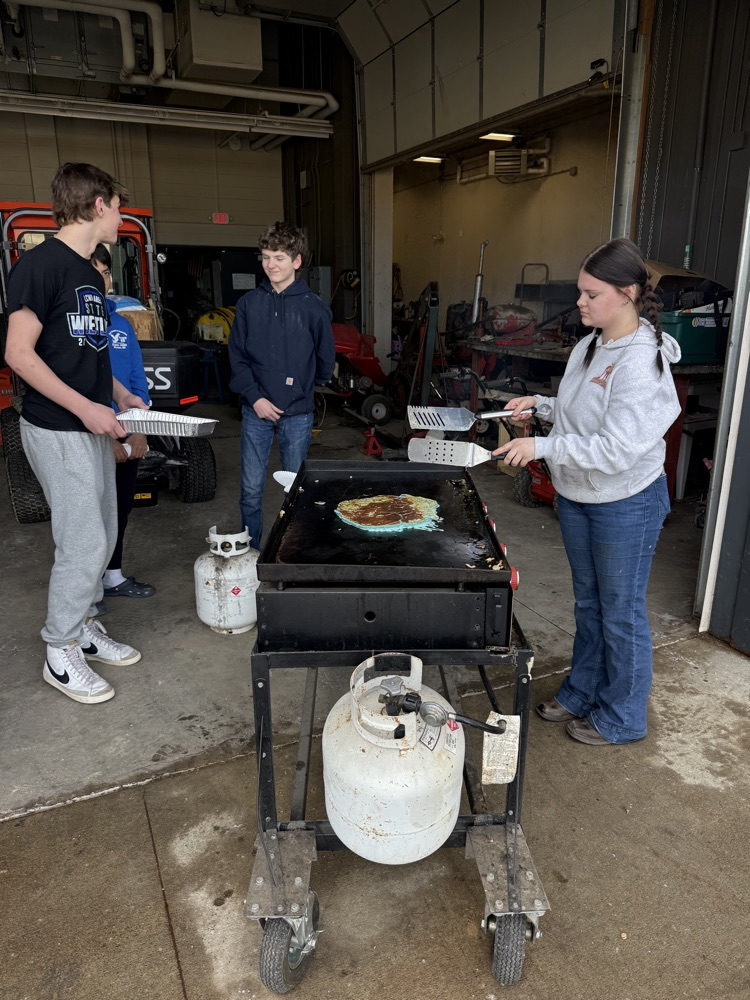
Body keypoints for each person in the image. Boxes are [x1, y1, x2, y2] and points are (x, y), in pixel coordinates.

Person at [494, 237, 681, 746]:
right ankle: (583, 690)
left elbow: (617, 447)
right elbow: (586, 409)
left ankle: (624, 716)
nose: (579, 302)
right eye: (580, 291)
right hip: (579, 495)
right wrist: (545, 404)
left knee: (621, 613)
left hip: (625, 501)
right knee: (590, 604)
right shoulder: (590, 342)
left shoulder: (642, 361)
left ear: (627, 294)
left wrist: (542, 448)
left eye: (590, 293)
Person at [5, 162, 149, 705]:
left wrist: (119, 395)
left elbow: (82, 352)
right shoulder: (39, 266)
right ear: (97, 205)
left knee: (104, 532)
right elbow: (19, 354)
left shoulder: (90, 274)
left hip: (90, 421)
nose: (121, 215)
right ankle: (59, 649)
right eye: (118, 206)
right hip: (55, 425)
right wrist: (87, 410)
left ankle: (84, 626)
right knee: (83, 541)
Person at [228, 221, 335, 548]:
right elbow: (236, 357)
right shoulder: (249, 304)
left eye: (279, 257)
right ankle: (252, 552)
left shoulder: (314, 308)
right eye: (265, 257)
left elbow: (324, 360)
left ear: (297, 261)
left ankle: (291, 551)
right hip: (255, 410)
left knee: (295, 487)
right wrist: (255, 397)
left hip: (297, 414)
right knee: (250, 490)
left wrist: (301, 390)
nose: (271, 264)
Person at [91, 243, 155, 599]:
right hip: (93, 435)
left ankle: (113, 576)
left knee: (121, 508)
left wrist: (139, 431)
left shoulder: (121, 325)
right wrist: (108, 439)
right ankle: (88, 592)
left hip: (127, 431)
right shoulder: (77, 328)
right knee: (92, 517)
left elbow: (135, 382)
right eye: (95, 271)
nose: (102, 279)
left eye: (105, 271)